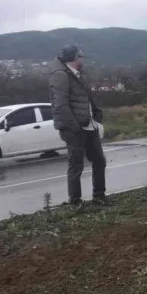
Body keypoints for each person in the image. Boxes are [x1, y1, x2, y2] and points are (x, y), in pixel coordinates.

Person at [49, 45, 107, 205]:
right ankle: (75, 202)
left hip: (89, 125)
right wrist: (74, 127)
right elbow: (60, 105)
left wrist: (96, 113)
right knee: (76, 165)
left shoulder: (79, 75)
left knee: (99, 161)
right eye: (81, 56)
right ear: (75, 58)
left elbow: (87, 98)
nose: (83, 59)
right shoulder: (60, 76)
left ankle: (99, 196)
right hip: (75, 129)